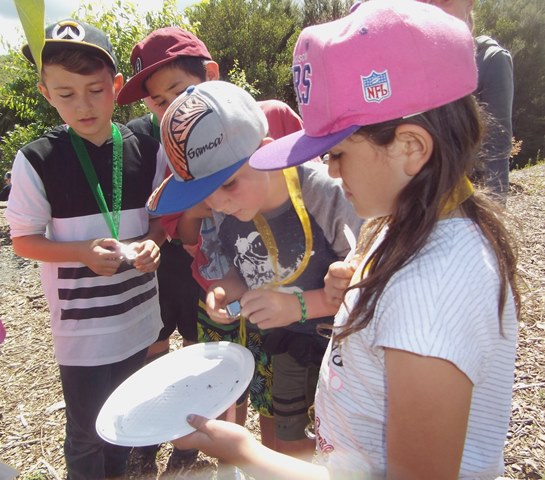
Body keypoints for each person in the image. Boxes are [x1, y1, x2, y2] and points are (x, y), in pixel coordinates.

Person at [171, 2, 520, 478]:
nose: (330, 171)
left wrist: (247, 453)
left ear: (411, 147)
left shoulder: (431, 288)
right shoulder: (401, 226)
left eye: (336, 154)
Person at [147, 80, 361, 460]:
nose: (218, 204)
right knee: (293, 446)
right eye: (204, 194)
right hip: (287, 348)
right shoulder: (223, 210)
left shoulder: (325, 194)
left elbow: (368, 287)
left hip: (346, 350)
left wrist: (299, 306)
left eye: (228, 184)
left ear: (264, 152)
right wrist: (225, 289)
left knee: (344, 450)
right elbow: (238, 269)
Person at [6, 19, 167, 479]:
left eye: (95, 90)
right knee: (85, 434)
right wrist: (81, 252)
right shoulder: (37, 159)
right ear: (45, 94)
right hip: (83, 336)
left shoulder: (145, 148)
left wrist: (154, 243)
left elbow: (160, 221)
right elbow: (23, 240)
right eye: (66, 94)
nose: (83, 105)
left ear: (116, 86)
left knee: (124, 421)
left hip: (139, 319)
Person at [116, 27, 220, 470]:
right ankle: (148, 436)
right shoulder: (138, 139)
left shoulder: (234, 124)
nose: (170, 108)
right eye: (157, 101)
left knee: (200, 350)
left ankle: (187, 446)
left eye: (179, 92)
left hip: (212, 265)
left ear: (210, 76)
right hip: (157, 265)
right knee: (154, 348)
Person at [419, 0, 514, 202]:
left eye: (444, 1)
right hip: (422, 196)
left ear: (469, 4)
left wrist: (494, 211)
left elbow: (497, 148)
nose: (433, 8)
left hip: (468, 199)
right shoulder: (419, 61)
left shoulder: (490, 60)